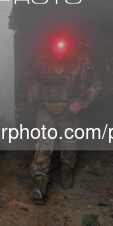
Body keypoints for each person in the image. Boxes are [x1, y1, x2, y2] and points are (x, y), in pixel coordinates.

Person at [15, 31, 101, 204]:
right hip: (45, 109)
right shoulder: (40, 60)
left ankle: (66, 172)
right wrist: (20, 99)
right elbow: (26, 78)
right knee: (43, 146)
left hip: (69, 111)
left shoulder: (79, 60)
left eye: (62, 47)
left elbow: (95, 83)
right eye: (55, 46)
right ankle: (39, 185)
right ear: (50, 45)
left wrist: (81, 102)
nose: (59, 51)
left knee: (69, 145)